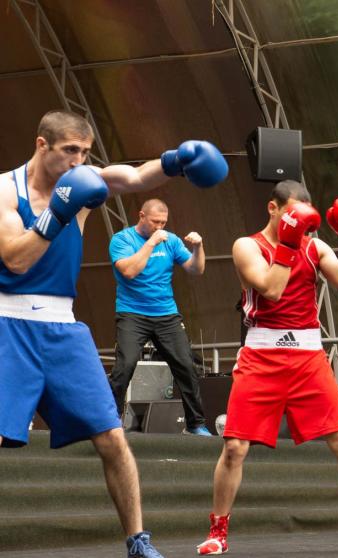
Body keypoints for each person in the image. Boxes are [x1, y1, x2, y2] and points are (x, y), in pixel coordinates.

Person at [0, 109, 227, 558]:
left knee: (112, 437)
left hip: (63, 327)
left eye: (85, 153)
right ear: (42, 144)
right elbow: (16, 260)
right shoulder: (6, 190)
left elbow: (136, 177)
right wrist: (57, 213)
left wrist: (178, 161)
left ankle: (138, 541)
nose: (78, 162)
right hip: (8, 322)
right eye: (70, 151)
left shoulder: (85, 181)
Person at [195, 181, 338, 555]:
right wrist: (290, 244)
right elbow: (271, 289)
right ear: (273, 208)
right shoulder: (247, 246)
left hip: (308, 357)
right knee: (235, 447)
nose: (299, 222)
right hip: (261, 356)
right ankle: (218, 532)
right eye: (292, 214)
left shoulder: (315, 246)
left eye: (302, 217)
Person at [108, 199, 210, 436]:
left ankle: (195, 424)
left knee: (186, 366)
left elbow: (196, 269)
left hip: (166, 313)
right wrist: (152, 242)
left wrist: (198, 247)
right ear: (141, 215)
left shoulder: (171, 240)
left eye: (163, 222)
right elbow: (129, 271)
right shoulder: (122, 240)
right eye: (155, 221)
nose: (160, 226)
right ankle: (110, 421)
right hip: (132, 312)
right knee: (125, 366)